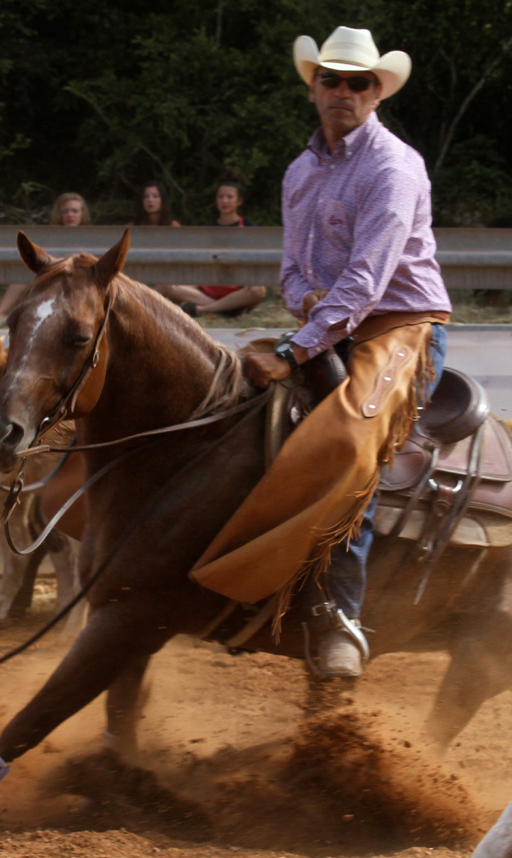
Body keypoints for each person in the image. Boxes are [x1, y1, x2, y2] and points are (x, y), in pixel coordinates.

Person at [189, 25, 451, 679]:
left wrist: (299, 348)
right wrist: (308, 315)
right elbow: (292, 273)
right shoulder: (301, 171)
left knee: (350, 442)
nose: (343, 91)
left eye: (357, 82)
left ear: (376, 91)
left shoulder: (394, 165)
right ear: (313, 87)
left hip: (402, 327)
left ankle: (340, 615)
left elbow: (369, 278)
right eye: (331, 79)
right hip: (331, 324)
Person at [159, 179, 269, 318]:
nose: (224, 201)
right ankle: (226, 309)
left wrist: (250, 279)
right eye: (221, 197)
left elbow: (258, 260)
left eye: (229, 197)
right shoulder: (207, 229)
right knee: (171, 288)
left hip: (237, 285)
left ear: (239, 201)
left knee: (258, 290)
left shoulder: (249, 227)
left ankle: (203, 309)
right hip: (208, 283)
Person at [0, 192, 91, 327]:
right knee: (23, 274)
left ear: (82, 213)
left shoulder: (91, 234)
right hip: (53, 272)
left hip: (78, 276)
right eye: (65, 211)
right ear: (59, 214)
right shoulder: (51, 234)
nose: (70, 215)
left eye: (74, 211)